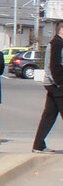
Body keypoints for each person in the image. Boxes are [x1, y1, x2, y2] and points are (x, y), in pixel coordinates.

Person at [31, 20, 63, 152]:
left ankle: (38, 145)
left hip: (53, 84)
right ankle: (38, 145)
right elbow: (54, 66)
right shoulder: (57, 43)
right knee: (50, 115)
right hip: (56, 85)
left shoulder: (56, 42)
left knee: (49, 115)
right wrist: (59, 83)